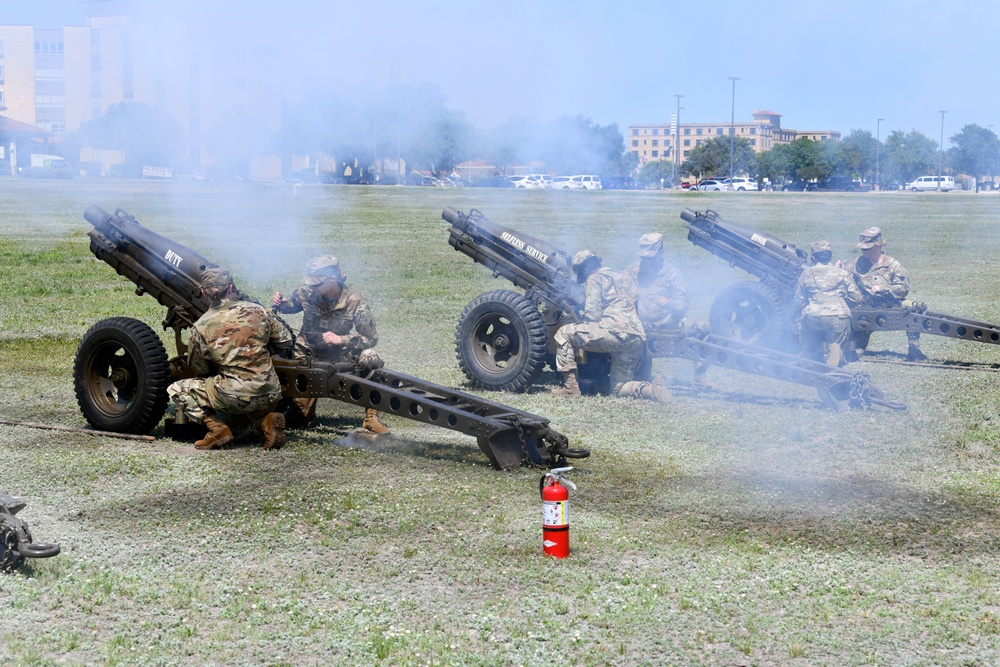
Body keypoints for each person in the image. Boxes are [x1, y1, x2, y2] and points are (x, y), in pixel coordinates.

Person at [167, 267, 293, 450]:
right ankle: (266, 422)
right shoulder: (259, 311)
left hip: (235, 395)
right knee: (240, 427)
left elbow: (200, 369)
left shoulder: (201, 326)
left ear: (204, 293)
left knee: (177, 389)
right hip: (271, 393)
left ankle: (217, 430)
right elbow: (286, 342)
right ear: (231, 287)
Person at [272, 255, 390, 434]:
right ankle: (296, 410)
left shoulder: (355, 302)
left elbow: (370, 338)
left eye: (317, 283)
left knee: (370, 357)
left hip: (338, 355)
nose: (312, 286)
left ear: (333, 280)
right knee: (300, 417)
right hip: (307, 353)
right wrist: (282, 304)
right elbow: (292, 305)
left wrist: (341, 339)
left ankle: (371, 418)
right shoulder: (306, 291)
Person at [551, 249, 671, 403]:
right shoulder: (625, 278)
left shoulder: (595, 278)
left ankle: (570, 388)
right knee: (618, 388)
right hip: (635, 337)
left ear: (586, 269)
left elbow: (592, 315)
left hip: (613, 332)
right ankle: (651, 390)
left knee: (563, 333)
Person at [621, 232, 715, 391]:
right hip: (639, 325)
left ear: (660, 252)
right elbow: (619, 291)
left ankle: (699, 378)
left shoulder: (672, 273)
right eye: (644, 257)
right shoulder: (633, 270)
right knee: (642, 379)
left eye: (650, 257)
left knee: (703, 328)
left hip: (667, 322)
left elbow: (683, 304)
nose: (646, 261)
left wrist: (669, 303)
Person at [844, 227, 927, 361]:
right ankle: (855, 346)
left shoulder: (892, 265)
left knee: (914, 309)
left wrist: (883, 288)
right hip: (864, 305)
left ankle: (914, 348)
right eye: (862, 248)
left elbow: (904, 288)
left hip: (890, 304)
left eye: (867, 248)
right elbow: (845, 281)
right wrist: (840, 271)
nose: (863, 251)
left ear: (878, 245)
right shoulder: (856, 263)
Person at [792, 240, 863, 367]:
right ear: (831, 256)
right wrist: (844, 303)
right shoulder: (842, 273)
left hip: (813, 315)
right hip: (838, 315)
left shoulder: (807, 273)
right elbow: (857, 298)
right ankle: (836, 352)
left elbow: (798, 300)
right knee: (837, 342)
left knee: (807, 328)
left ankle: (809, 354)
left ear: (813, 258)